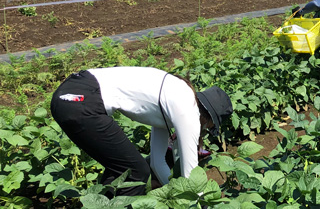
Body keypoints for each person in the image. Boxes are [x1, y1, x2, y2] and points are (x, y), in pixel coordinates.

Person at [50, 67, 233, 196]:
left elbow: (157, 162)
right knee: (135, 172)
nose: (204, 131)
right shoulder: (188, 110)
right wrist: (200, 203)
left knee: (120, 171)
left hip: (72, 92)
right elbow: (192, 176)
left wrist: (170, 194)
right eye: (208, 127)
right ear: (207, 118)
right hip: (81, 101)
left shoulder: (174, 101)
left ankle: (103, 202)